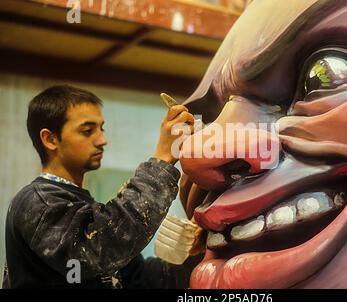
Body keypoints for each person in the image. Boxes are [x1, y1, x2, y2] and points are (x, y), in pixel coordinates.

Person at [2, 85, 199, 288]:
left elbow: (138, 278)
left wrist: (201, 255)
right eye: (87, 131)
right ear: (50, 139)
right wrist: (162, 160)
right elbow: (99, 251)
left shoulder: (81, 207)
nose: (102, 140)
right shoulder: (37, 202)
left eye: (101, 128)